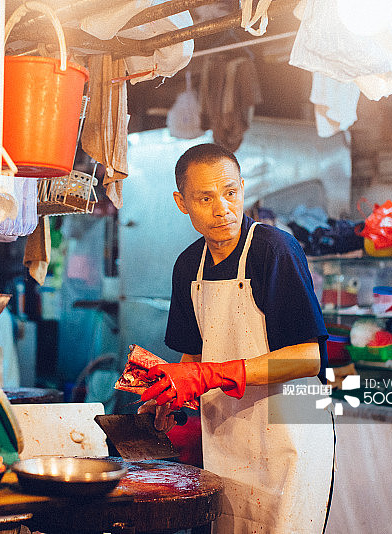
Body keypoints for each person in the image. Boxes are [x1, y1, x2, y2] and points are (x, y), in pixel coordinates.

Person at [138, 143, 335, 534]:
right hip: (226, 438)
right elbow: (194, 357)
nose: (222, 208)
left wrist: (210, 376)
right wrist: (169, 398)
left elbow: (309, 358)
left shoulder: (275, 249)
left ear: (243, 188)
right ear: (182, 202)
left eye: (230, 193)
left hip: (290, 434)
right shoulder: (187, 265)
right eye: (205, 198)